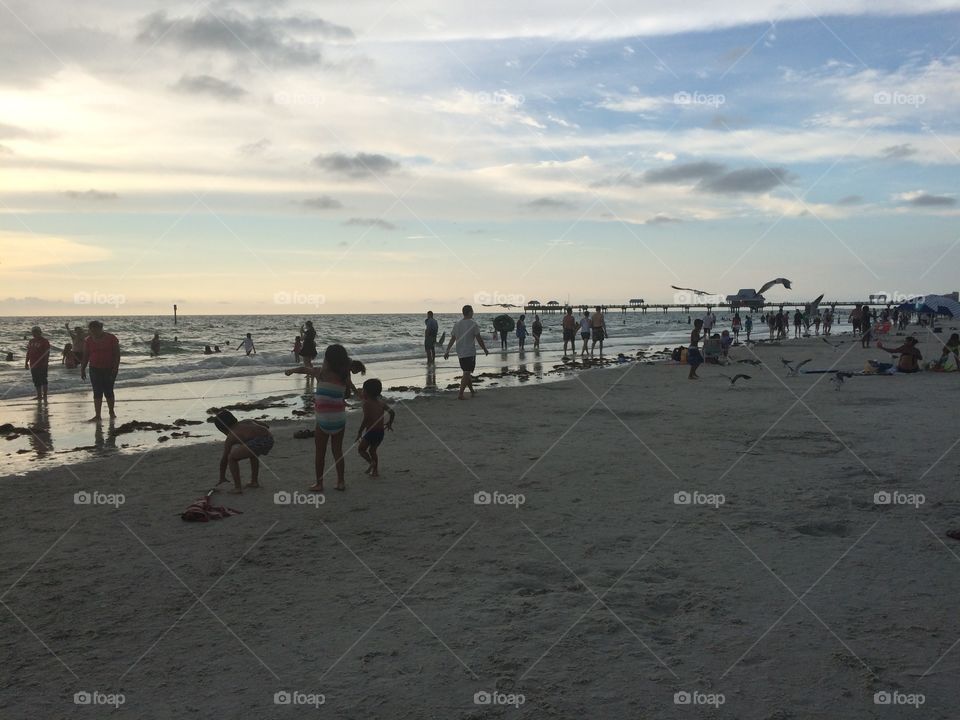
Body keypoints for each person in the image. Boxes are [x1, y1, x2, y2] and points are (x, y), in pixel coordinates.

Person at [285, 344, 355, 492]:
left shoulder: (321, 373)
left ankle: (319, 483)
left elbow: (304, 369)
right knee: (338, 451)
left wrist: (291, 371)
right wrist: (357, 392)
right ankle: (341, 482)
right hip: (339, 419)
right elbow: (349, 390)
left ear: (327, 359)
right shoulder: (344, 376)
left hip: (323, 420)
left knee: (320, 452)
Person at [214, 410, 274, 494]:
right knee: (253, 454)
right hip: (269, 438)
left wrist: (222, 476)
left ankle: (238, 488)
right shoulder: (247, 421)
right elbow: (266, 426)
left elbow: (224, 459)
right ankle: (254, 482)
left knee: (231, 458)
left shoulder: (231, 436)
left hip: (258, 441)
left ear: (222, 429)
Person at [444, 304, 489, 400]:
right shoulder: (473, 324)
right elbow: (479, 338)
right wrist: (484, 349)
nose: (473, 313)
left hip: (460, 352)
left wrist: (447, 350)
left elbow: (452, 339)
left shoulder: (457, 324)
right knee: (467, 373)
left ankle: (472, 391)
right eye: (472, 311)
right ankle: (460, 394)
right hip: (469, 352)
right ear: (469, 312)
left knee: (466, 372)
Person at [80, 320, 120, 422]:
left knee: (108, 391)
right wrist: (82, 369)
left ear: (100, 328)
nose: (93, 332)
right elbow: (86, 355)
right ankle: (97, 415)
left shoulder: (111, 338)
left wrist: (115, 369)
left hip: (109, 369)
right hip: (94, 368)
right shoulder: (88, 340)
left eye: (95, 330)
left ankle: (111, 412)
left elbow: (117, 355)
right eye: (91, 330)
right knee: (97, 391)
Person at [356, 378, 395, 477]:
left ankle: (371, 463)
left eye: (363, 389)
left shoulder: (367, 404)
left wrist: (360, 431)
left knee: (361, 450)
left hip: (371, 432)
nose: (362, 391)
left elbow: (366, 419)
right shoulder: (381, 402)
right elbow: (392, 412)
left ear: (367, 392)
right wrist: (389, 423)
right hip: (380, 432)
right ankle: (375, 471)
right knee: (373, 450)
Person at [25, 326, 50, 400]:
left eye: (36, 332)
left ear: (40, 332)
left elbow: (47, 353)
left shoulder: (44, 341)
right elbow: (28, 352)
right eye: (33, 332)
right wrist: (26, 362)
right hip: (33, 364)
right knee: (36, 380)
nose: (34, 333)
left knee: (43, 379)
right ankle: (39, 395)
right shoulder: (31, 341)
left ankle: (44, 395)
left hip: (42, 364)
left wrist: (45, 363)